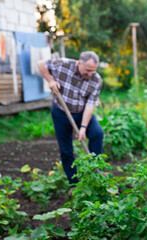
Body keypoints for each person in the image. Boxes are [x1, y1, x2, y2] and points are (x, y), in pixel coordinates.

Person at [37, 51, 104, 187]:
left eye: (93, 71)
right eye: (88, 70)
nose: (90, 74)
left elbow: (90, 105)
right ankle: (74, 185)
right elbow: (41, 64)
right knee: (66, 150)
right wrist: (51, 80)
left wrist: (83, 128)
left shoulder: (96, 80)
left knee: (97, 133)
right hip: (61, 113)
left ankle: (96, 173)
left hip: (81, 113)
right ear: (80, 63)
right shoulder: (63, 64)